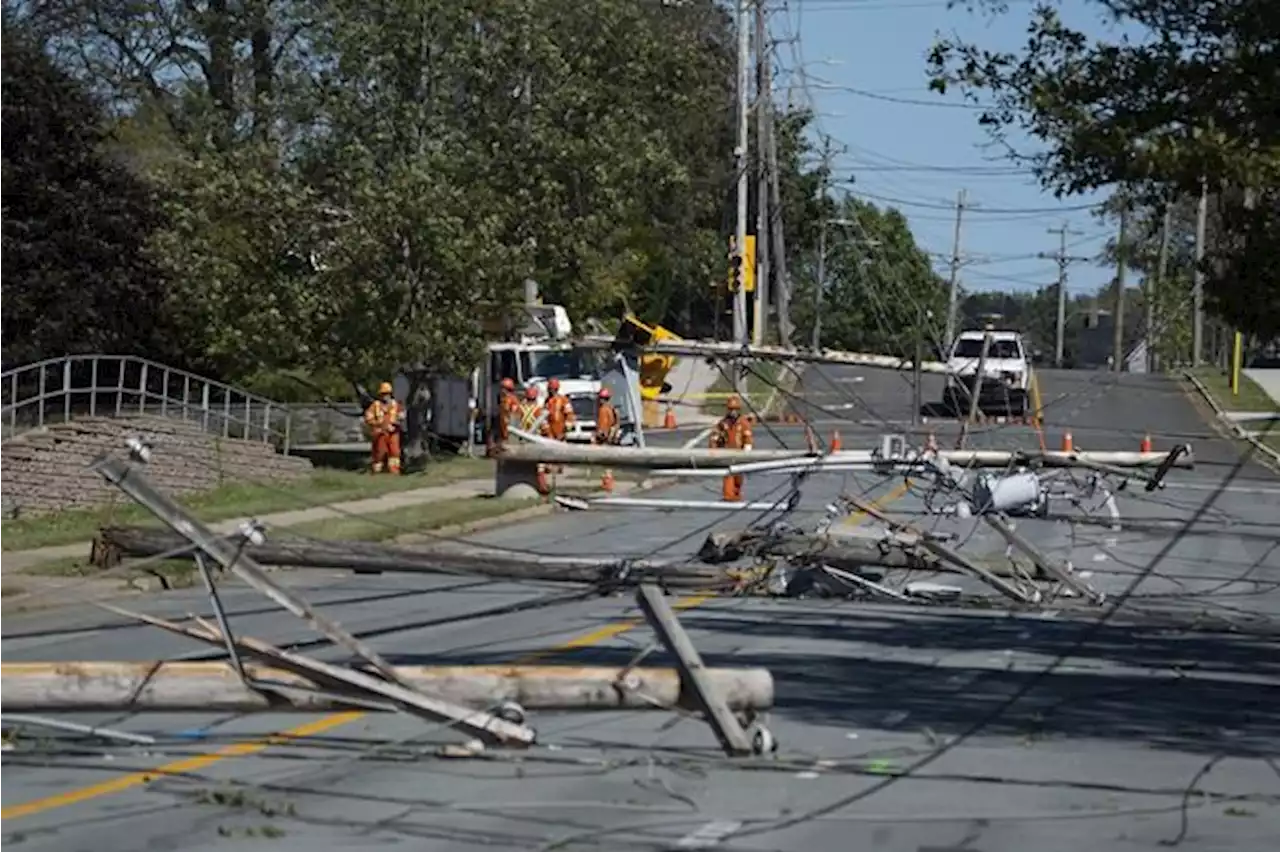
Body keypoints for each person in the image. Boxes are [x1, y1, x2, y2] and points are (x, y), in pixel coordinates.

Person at [709, 394, 753, 501]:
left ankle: (736, 494)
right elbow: (714, 436)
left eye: (735, 409)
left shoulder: (743, 423)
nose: (733, 412)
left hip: (739, 454)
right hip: (726, 453)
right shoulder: (723, 423)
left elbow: (748, 438)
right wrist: (713, 449)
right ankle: (728, 496)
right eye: (731, 409)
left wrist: (747, 451)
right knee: (728, 476)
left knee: (738, 478)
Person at [364, 381, 406, 474]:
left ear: (390, 394)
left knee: (394, 452)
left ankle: (394, 471)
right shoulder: (375, 405)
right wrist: (378, 424)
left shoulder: (396, 405)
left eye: (387, 394)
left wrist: (396, 422)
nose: (385, 396)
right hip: (380, 433)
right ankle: (377, 472)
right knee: (379, 452)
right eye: (383, 394)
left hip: (393, 433)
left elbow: (402, 416)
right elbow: (368, 417)